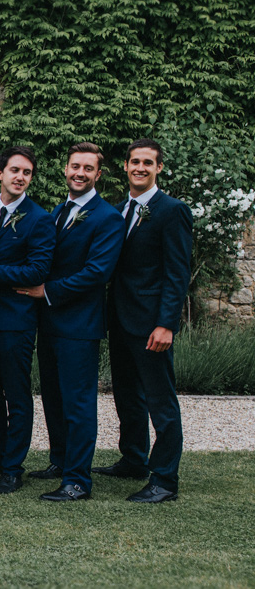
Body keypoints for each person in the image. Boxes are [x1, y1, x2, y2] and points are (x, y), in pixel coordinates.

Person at [14, 143, 124, 501]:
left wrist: (46, 291)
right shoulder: (58, 212)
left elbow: (96, 273)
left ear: (98, 175)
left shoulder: (107, 217)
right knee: (54, 398)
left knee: (78, 404)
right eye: (75, 166)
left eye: (87, 169)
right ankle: (60, 461)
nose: (80, 173)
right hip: (48, 323)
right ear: (65, 169)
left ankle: (78, 480)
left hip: (79, 325)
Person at [94, 139, 192, 503]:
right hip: (119, 320)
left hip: (152, 324)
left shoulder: (171, 210)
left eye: (147, 163)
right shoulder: (120, 210)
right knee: (127, 395)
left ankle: (164, 479)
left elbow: (176, 272)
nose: (140, 167)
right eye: (135, 161)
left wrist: (166, 323)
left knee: (160, 401)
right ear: (125, 166)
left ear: (159, 168)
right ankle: (134, 459)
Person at [0, 146, 54, 495]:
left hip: (16, 319)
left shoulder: (39, 218)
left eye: (27, 173)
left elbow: (37, 270)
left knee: (16, 395)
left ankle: (14, 467)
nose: (20, 177)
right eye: (15, 170)